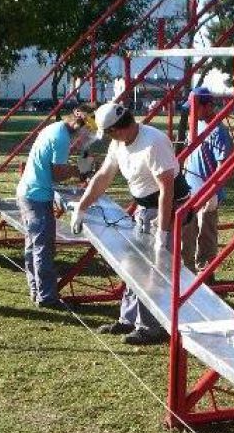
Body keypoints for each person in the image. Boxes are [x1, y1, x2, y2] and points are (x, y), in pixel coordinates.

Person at [71, 102, 189, 345]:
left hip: (168, 209)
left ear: (119, 129)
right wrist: (81, 207)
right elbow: (103, 176)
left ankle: (151, 327)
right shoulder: (119, 143)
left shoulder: (153, 142)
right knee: (134, 265)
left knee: (152, 269)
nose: (109, 139)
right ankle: (128, 318)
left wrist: (163, 233)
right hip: (146, 208)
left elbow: (167, 190)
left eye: (110, 134)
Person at [16, 104, 97, 311]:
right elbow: (57, 174)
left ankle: (37, 290)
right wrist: (80, 171)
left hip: (27, 192)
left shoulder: (54, 129)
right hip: (36, 197)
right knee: (44, 248)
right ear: (79, 121)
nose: (87, 137)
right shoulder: (61, 138)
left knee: (33, 246)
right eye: (88, 132)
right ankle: (47, 297)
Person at [181, 87, 232, 286]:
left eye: (195, 107)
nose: (191, 112)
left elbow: (223, 165)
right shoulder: (196, 124)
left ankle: (206, 274)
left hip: (208, 191)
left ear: (208, 106)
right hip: (190, 189)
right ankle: (187, 273)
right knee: (187, 232)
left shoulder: (218, 130)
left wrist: (212, 191)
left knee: (206, 234)